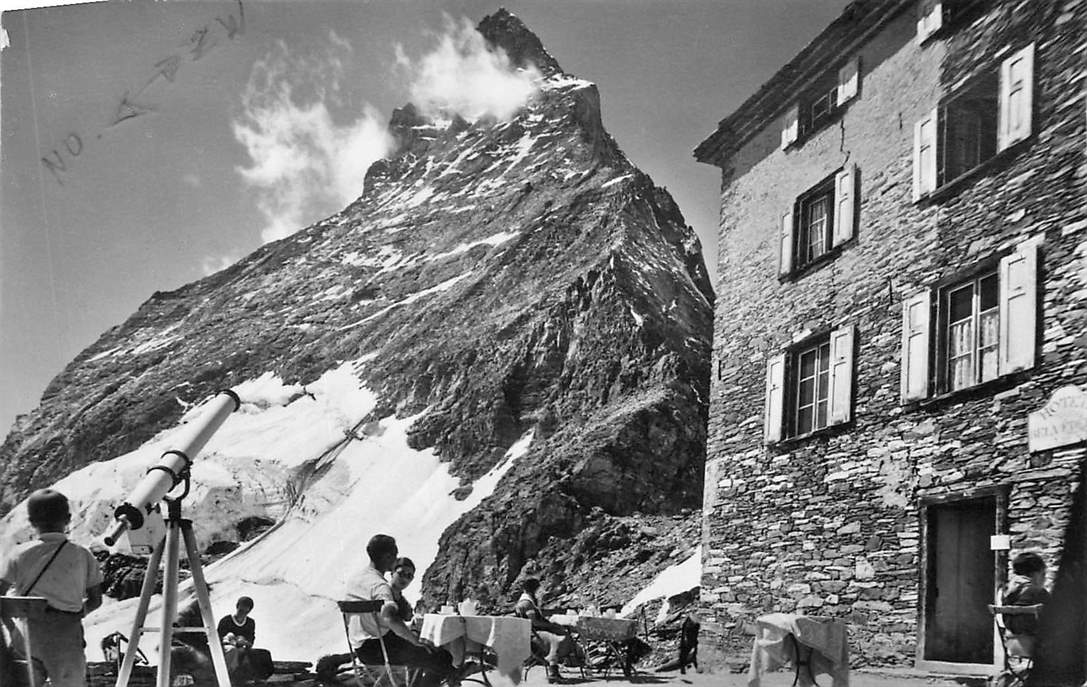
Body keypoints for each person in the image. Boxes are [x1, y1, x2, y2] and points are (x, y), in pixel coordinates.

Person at [0, 489, 103, 687]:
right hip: (66, 638)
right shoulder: (82, 555)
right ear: (68, 519)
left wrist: (13, 629)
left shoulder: (18, 554)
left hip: (27, 636)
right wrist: (76, 614)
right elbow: (96, 600)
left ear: (31, 522)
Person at [333, 535, 455, 687]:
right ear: (388, 556)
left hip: (361, 650)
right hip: (382, 648)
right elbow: (390, 618)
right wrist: (413, 640)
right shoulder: (380, 586)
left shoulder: (355, 580)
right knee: (441, 657)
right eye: (394, 556)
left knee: (421, 657)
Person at [316, 556, 419, 683]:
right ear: (392, 573)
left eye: (409, 576)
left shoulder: (398, 597)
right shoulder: (383, 594)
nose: (405, 578)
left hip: (369, 648)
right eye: (401, 573)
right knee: (426, 653)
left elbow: (407, 616)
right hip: (380, 647)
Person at [513, 578, 574, 684]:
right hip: (533, 634)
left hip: (530, 633)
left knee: (561, 633)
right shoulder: (526, 603)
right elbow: (534, 622)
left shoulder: (526, 601)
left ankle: (556, 664)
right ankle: (553, 671)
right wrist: (549, 625)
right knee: (556, 639)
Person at [217, 596, 274, 683]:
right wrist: (231, 640)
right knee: (236, 651)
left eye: (246, 611)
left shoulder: (250, 623)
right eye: (241, 610)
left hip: (243, 647)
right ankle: (230, 675)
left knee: (264, 653)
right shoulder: (226, 620)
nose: (242, 613)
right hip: (227, 649)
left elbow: (251, 639)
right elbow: (217, 638)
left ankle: (260, 678)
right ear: (237, 607)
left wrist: (245, 642)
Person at [1003, 551, 1050, 638]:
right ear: (1034, 574)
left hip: (1011, 644)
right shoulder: (1037, 592)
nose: (1045, 579)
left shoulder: (1007, 592)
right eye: (1043, 574)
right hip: (1034, 645)